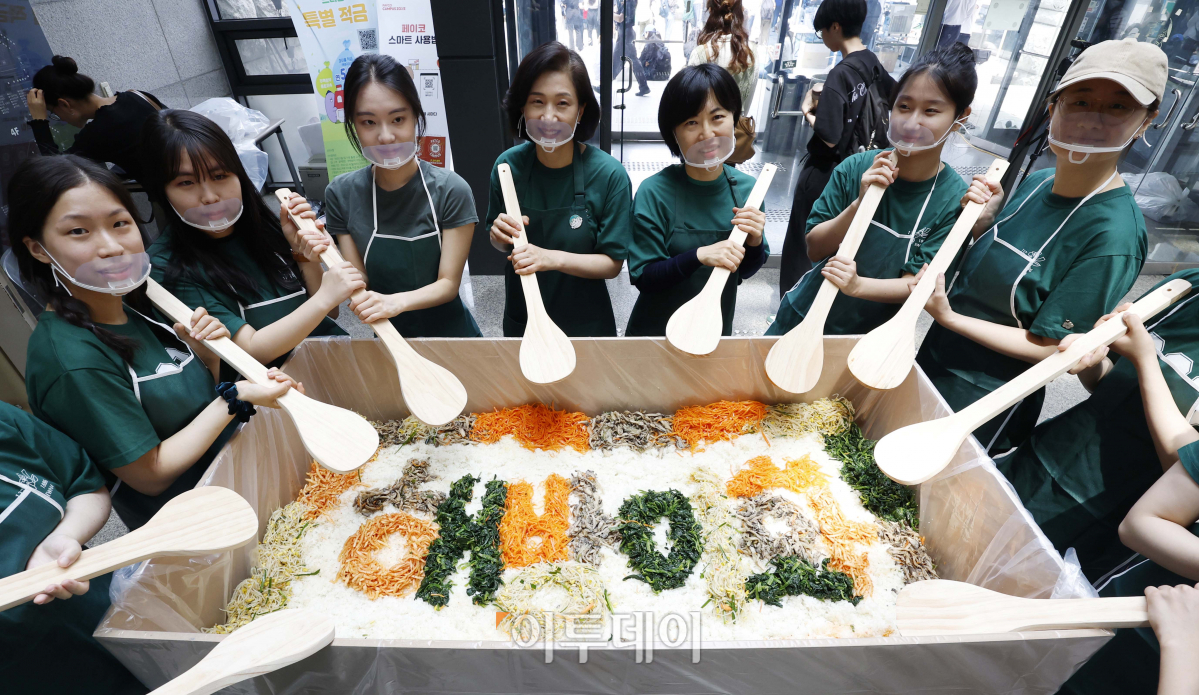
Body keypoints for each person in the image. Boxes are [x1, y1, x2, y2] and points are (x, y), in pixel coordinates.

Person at [15, 155, 301, 531]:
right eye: (79, 231)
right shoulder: (71, 360)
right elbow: (151, 474)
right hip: (196, 526)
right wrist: (238, 396)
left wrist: (208, 358)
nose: (111, 247)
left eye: (120, 223)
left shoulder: (132, 304)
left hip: (243, 486)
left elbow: (193, 403)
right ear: (38, 248)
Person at [917, 38, 1163, 456]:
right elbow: (1003, 274)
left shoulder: (1114, 235)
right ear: (1053, 108)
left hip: (989, 401)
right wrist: (983, 225)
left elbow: (1054, 348)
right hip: (935, 357)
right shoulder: (1037, 182)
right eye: (1080, 101)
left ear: (1146, 121)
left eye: (1117, 107)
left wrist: (950, 317)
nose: (1092, 119)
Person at [994, 268, 1199, 583]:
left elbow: (1185, 468)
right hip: (1043, 459)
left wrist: (1145, 360)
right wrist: (1092, 359)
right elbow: (1110, 384)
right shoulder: (1186, 286)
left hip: (1107, 513)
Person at [1034, 308, 1199, 694]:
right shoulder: (1185, 288)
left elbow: (1180, 460)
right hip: (1057, 463)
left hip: (1123, 529)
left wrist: (1144, 360)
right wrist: (1099, 364)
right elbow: (1186, 459)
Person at [768, 42, 976, 337]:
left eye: (931, 111)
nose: (911, 123)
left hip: (869, 338)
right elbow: (815, 247)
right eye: (904, 106)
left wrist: (857, 286)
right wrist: (859, 204)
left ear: (960, 118)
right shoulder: (856, 167)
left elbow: (919, 283)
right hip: (803, 316)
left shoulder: (955, 200)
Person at [142, 110, 361, 384]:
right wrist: (325, 296)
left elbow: (329, 313)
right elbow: (250, 350)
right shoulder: (166, 266)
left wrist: (304, 254)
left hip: (334, 364)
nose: (210, 197)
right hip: (274, 391)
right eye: (186, 182)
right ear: (162, 191)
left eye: (219, 175)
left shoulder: (269, 228)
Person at [319, 53, 482, 337]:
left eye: (397, 119)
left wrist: (394, 303)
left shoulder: (451, 190)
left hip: (454, 339)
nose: (385, 136)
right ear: (353, 124)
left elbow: (448, 284)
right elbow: (359, 281)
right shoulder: (341, 194)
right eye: (369, 122)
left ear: (415, 116)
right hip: (389, 338)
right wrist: (320, 254)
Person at [486, 42, 632, 337]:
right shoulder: (507, 168)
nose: (548, 117)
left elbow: (612, 264)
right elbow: (500, 242)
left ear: (581, 110)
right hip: (524, 320)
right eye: (537, 102)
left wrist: (551, 258)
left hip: (586, 324)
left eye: (562, 103)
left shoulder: (609, 175)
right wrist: (498, 236)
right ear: (522, 107)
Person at [0, 402, 147, 695]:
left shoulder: (4, 421)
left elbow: (85, 486)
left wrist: (66, 535)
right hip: (32, 671)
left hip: (113, 606)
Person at [625, 63, 767, 336]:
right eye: (691, 122)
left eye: (717, 117)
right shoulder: (654, 192)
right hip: (654, 333)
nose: (707, 134)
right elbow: (644, 277)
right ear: (673, 132)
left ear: (734, 118)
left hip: (713, 330)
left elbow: (744, 272)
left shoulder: (749, 190)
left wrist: (755, 240)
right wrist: (699, 256)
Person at [778, 0, 896, 297]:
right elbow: (894, 99)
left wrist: (808, 111)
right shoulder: (872, 62)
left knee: (804, 240)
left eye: (822, 31)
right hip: (859, 170)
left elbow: (829, 136)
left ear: (835, 26)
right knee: (840, 243)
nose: (823, 38)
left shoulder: (840, 74)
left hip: (826, 172)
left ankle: (793, 301)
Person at [26, 56, 164, 185]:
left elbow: (57, 168)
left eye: (53, 113)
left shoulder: (98, 132)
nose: (59, 118)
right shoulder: (136, 95)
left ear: (64, 104)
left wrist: (39, 121)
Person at [688, 0, 759, 129]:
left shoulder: (700, 53)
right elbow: (749, 96)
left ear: (710, 11)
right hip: (736, 130)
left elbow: (691, 102)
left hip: (706, 131)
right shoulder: (751, 52)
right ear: (741, 12)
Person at [613, 0, 652, 97]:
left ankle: (604, 85)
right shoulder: (628, 1)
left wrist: (610, 13)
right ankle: (643, 86)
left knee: (617, 61)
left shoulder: (629, 1)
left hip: (625, 34)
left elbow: (620, 18)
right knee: (628, 61)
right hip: (625, 33)